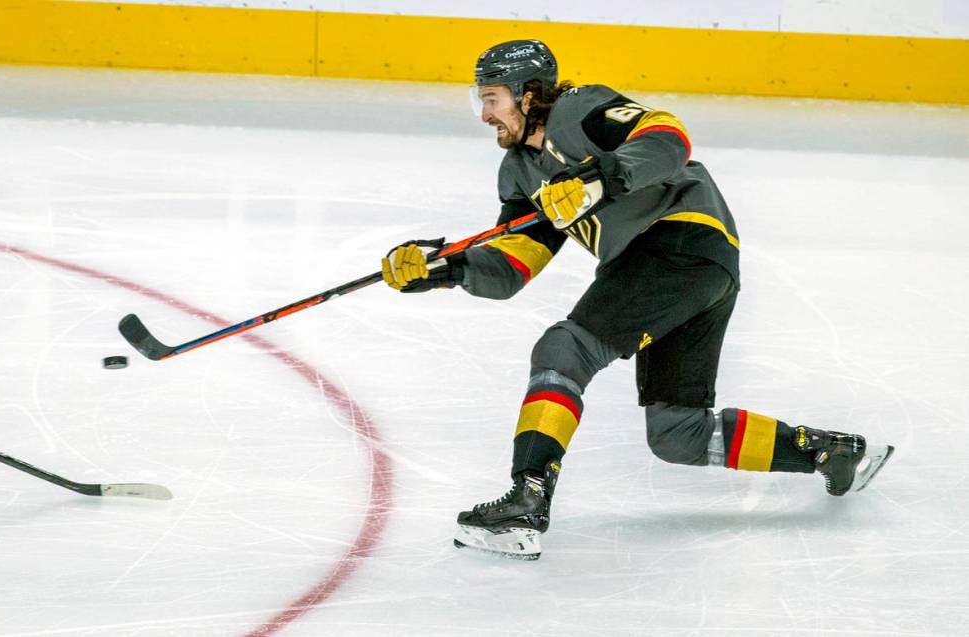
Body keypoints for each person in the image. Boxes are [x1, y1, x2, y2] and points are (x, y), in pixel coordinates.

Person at [380, 40, 894, 560]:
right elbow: (513, 266)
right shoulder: (518, 173)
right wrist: (447, 270)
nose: (485, 114)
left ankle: (527, 501)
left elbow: (669, 138)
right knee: (678, 433)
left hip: (681, 238)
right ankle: (830, 451)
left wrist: (603, 177)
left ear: (529, 94)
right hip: (696, 270)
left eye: (492, 99)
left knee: (565, 350)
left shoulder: (580, 109)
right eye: (480, 101)